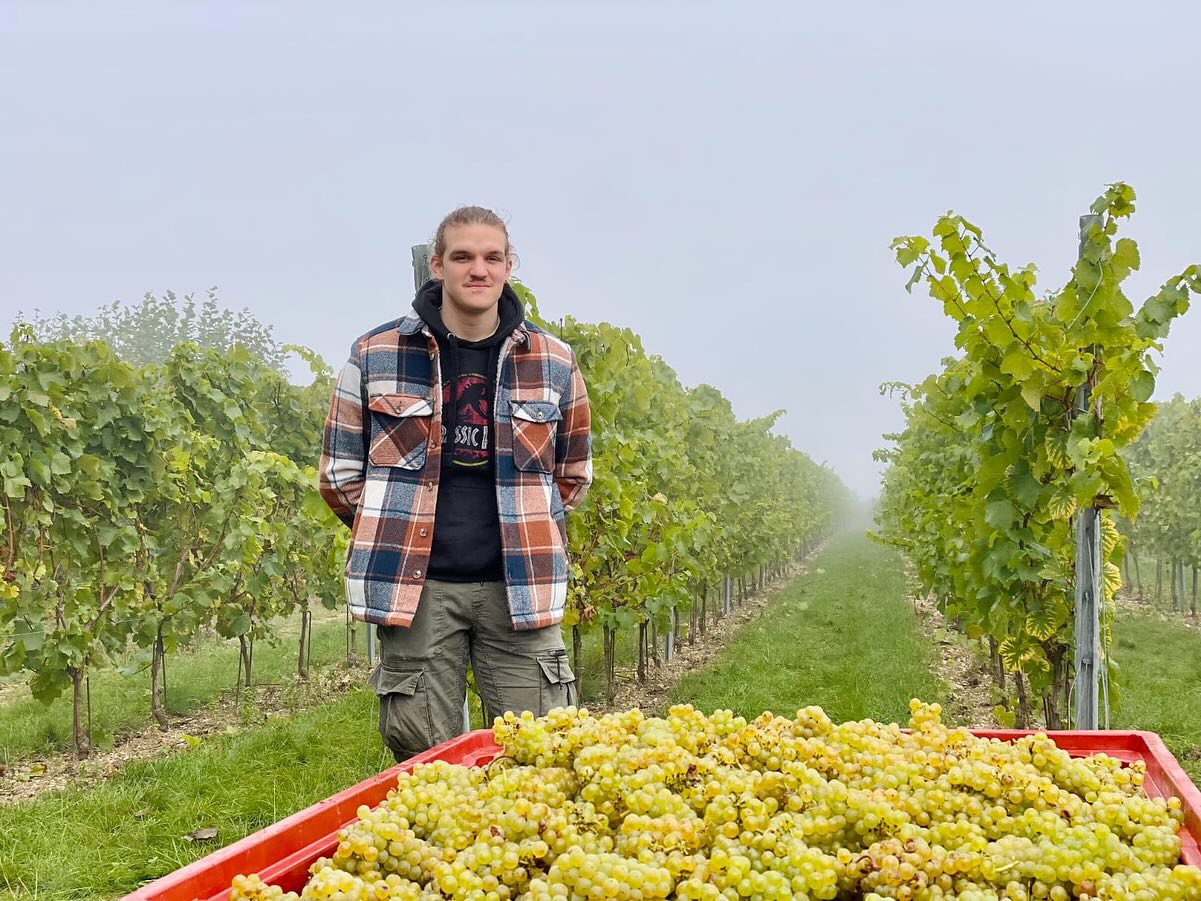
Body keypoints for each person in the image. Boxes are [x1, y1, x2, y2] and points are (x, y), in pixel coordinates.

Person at [318, 206, 592, 760]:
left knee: (540, 755)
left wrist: (528, 530)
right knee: (427, 764)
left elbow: (572, 474)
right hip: (419, 593)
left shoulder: (554, 361)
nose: (478, 269)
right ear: (438, 265)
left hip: (520, 589)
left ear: (509, 266)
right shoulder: (374, 354)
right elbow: (340, 474)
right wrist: (391, 527)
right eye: (463, 256)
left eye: (492, 257)